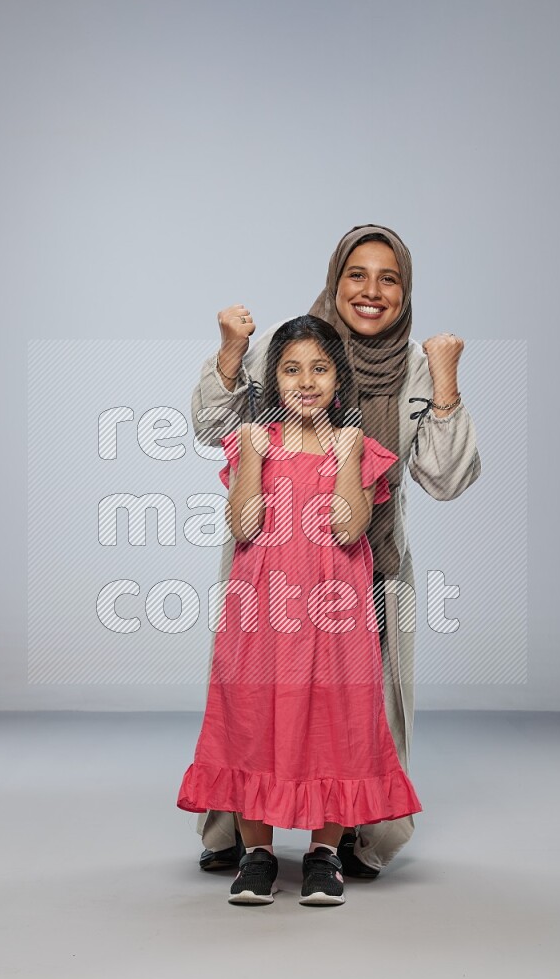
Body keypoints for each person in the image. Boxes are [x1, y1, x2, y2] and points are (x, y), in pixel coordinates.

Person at [190, 224, 481, 878]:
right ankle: (238, 829)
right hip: (275, 566)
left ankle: (351, 838)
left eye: (389, 278)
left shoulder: (414, 368)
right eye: (357, 274)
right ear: (335, 279)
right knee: (254, 697)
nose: (371, 291)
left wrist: (446, 384)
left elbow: (446, 477)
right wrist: (232, 355)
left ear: (405, 292)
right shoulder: (288, 347)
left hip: (364, 564)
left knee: (359, 706)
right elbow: (214, 428)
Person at [177, 316, 423, 906]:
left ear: (338, 381)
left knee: (334, 723)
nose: (305, 381)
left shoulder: (359, 448)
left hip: (332, 618)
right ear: (273, 380)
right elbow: (244, 524)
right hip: (261, 616)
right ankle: (258, 853)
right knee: (253, 719)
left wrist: (344, 456)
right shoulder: (250, 442)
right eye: (291, 369)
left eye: (319, 369)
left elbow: (348, 526)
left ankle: (322, 855)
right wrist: (256, 458)